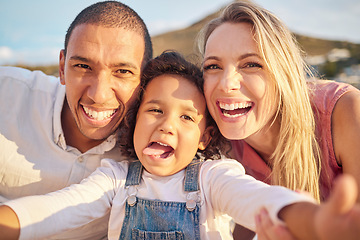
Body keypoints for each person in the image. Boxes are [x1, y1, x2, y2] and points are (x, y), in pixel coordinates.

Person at [2, 51, 360, 240]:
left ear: (205, 137)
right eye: (154, 110)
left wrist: (315, 221)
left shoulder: (213, 176)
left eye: (187, 118)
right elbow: (55, 210)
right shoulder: (113, 177)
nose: (167, 125)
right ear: (134, 120)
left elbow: (260, 199)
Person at [197, 1, 360, 239]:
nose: (226, 83)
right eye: (213, 66)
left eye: (251, 64)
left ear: (282, 74)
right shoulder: (218, 143)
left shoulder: (345, 112)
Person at [0, 1, 152, 239]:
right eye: (83, 66)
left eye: (122, 72)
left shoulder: (154, 147)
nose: (98, 95)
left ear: (144, 80)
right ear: (62, 68)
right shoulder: (7, 93)